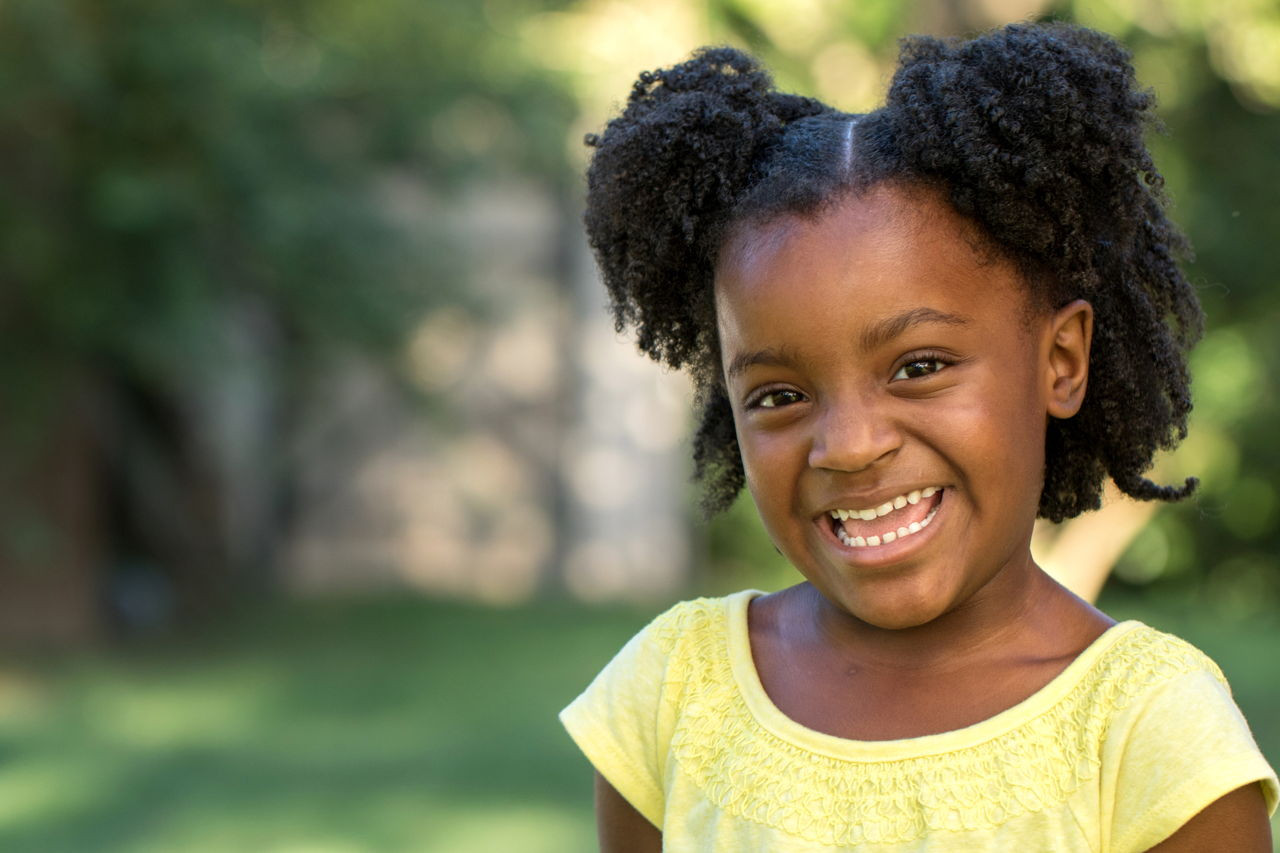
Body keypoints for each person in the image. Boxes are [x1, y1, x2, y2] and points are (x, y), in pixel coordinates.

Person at [559, 22, 1278, 852]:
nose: (852, 444)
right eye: (781, 393)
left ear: (1061, 360)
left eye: (919, 365)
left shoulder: (1150, 735)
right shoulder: (672, 696)